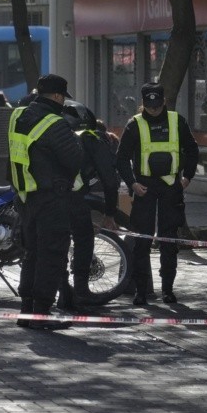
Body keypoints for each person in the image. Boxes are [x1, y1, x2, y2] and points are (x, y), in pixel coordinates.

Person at [8, 74, 83, 330]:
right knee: (51, 257)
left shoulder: (18, 116)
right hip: (51, 199)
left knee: (32, 255)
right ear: (59, 97)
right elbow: (75, 159)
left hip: (25, 197)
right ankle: (42, 314)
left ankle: (26, 311)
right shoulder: (54, 123)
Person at [116, 82, 199, 306]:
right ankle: (141, 291)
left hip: (171, 187)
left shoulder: (177, 121)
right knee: (142, 240)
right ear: (144, 104)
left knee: (168, 240)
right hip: (144, 188)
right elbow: (121, 158)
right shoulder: (134, 124)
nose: (154, 110)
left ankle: (168, 290)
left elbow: (192, 150)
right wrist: (132, 184)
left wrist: (187, 177)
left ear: (164, 102)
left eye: (157, 105)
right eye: (149, 106)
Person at [57, 100, 120, 309]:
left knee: (57, 246)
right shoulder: (91, 139)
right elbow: (110, 180)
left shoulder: (52, 135)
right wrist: (110, 214)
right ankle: (81, 291)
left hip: (45, 199)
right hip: (74, 199)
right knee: (83, 239)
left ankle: (62, 292)